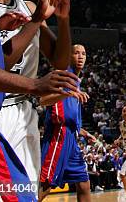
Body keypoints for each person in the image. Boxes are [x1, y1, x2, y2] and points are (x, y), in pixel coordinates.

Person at [0, 0, 78, 201]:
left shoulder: (28, 7)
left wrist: (63, 19)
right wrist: (34, 23)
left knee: (27, 194)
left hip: (25, 112)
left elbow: (59, 60)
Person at [39, 44, 96, 201]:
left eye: (83, 53)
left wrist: (84, 132)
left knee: (84, 183)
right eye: (76, 53)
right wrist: (67, 93)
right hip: (58, 136)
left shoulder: (76, 80)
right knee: (45, 184)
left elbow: (70, 116)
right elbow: (43, 100)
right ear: (69, 56)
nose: (80, 56)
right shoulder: (62, 75)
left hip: (72, 138)